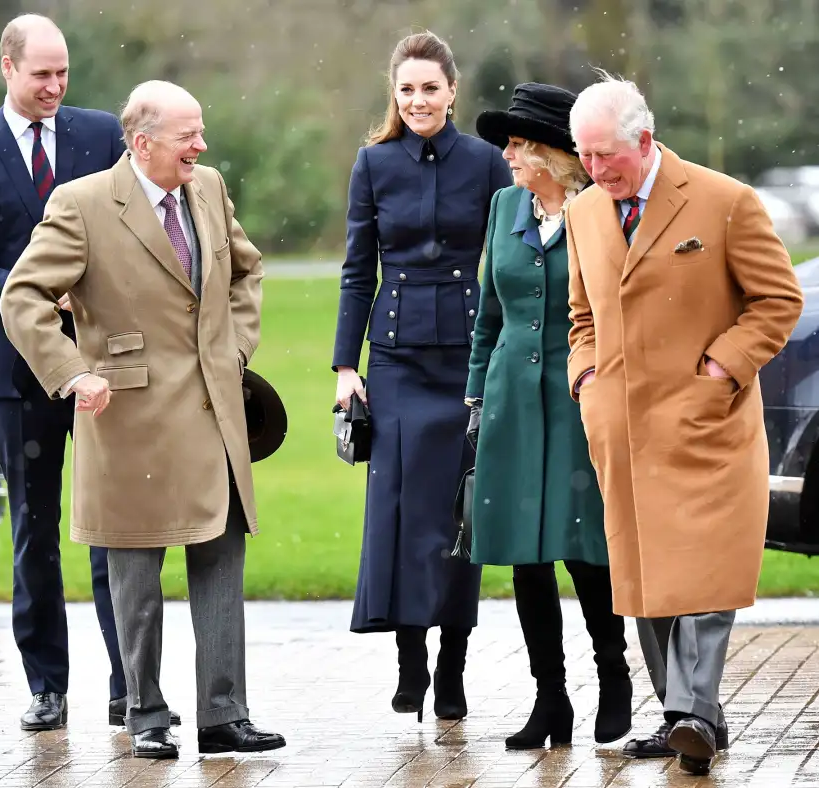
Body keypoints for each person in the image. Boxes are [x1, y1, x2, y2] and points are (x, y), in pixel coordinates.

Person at [0, 79, 285, 760]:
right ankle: (145, 710)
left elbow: (247, 272)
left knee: (221, 557)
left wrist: (235, 347)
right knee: (135, 575)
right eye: (189, 134)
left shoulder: (209, 187)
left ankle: (224, 714)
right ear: (142, 141)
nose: (202, 145)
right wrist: (72, 371)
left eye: (202, 131)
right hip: (128, 417)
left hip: (215, 413)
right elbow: (22, 295)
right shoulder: (83, 204)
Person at [0, 13, 171, 732]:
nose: (55, 86)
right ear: (8, 68)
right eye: (41, 74)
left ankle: (129, 686)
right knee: (34, 531)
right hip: (18, 369)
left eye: (62, 73)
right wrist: (34, 288)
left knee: (112, 526)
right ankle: (46, 686)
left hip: (102, 363)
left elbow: (136, 228)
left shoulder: (99, 136)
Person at [565, 70, 803, 775]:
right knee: (646, 574)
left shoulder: (725, 201)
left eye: (607, 154)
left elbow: (777, 299)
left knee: (701, 568)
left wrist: (721, 370)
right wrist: (586, 380)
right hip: (623, 429)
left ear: (645, 139)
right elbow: (581, 319)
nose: (595, 169)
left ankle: (695, 712)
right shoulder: (583, 213)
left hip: (708, 422)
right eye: (584, 155)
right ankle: (682, 712)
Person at [332, 31, 512, 722]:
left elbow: (502, 268)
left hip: (469, 360)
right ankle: (410, 659)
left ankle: (454, 665)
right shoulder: (373, 164)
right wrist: (347, 367)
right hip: (398, 362)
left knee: (460, 515)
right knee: (402, 514)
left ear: (452, 92)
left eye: (429, 89)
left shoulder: (488, 164)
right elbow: (356, 271)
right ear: (394, 93)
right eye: (406, 89)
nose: (417, 101)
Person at [466, 82, 631, 750]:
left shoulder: (600, 211)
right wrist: (476, 398)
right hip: (510, 400)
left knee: (585, 548)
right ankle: (550, 702)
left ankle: (614, 676)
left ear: (555, 155)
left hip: (576, 397)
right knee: (525, 558)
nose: (506, 155)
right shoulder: (505, 205)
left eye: (517, 144)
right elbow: (489, 315)